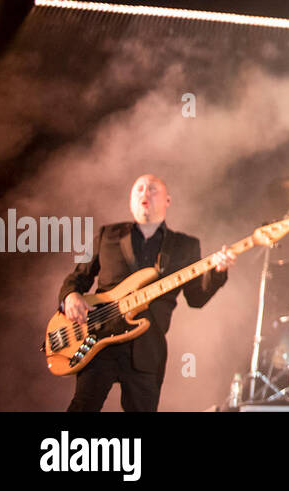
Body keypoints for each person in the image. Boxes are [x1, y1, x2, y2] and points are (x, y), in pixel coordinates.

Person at [58, 174, 235, 411]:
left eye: (152, 189)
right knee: (82, 407)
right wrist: (71, 296)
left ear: (167, 201)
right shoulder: (106, 234)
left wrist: (218, 272)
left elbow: (196, 298)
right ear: (131, 200)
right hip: (99, 340)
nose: (145, 193)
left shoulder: (185, 245)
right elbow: (77, 277)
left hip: (148, 346)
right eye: (139, 189)